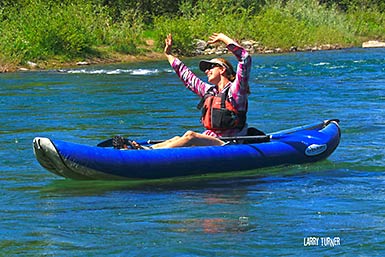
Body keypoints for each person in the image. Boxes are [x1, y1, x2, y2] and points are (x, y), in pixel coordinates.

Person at [132, 32, 252, 149]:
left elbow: (245, 59)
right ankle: (147, 150)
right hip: (212, 139)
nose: (206, 71)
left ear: (222, 70)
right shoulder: (210, 91)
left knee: (191, 136)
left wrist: (223, 38)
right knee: (177, 138)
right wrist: (169, 54)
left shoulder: (236, 91)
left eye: (210, 67)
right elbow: (188, 77)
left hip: (231, 143)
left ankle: (150, 155)